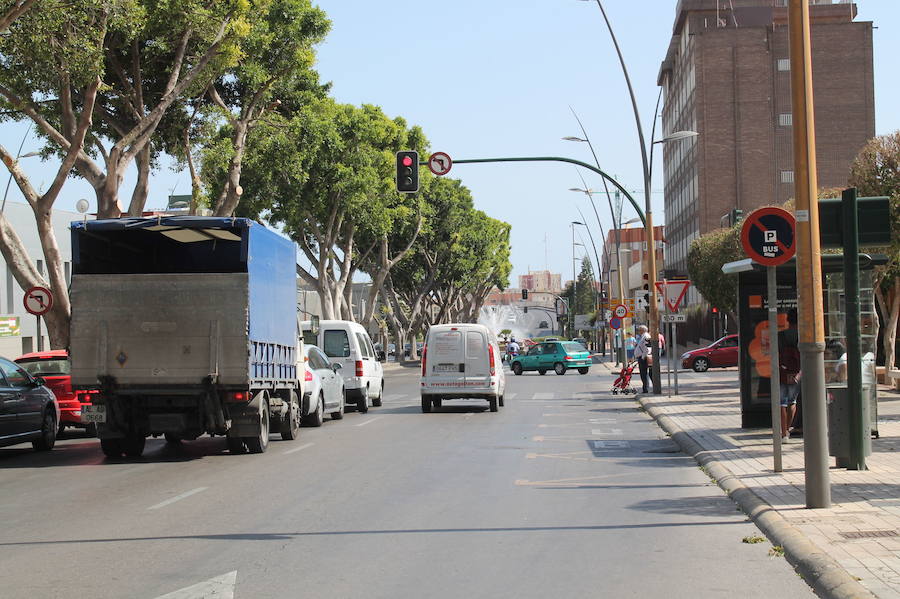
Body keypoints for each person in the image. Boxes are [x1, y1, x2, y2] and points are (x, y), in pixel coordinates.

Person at [778, 311, 801, 443]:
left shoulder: (780, 336)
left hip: (782, 371)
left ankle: (783, 433)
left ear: (788, 320)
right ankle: (788, 429)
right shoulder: (802, 335)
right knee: (792, 402)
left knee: (781, 402)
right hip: (796, 372)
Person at [634, 325, 652, 394]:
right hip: (642, 357)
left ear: (643, 330)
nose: (638, 331)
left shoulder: (646, 336)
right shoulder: (643, 336)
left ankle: (646, 389)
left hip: (644, 358)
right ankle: (645, 388)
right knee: (643, 374)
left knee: (644, 374)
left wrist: (643, 357)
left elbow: (647, 348)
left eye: (639, 330)